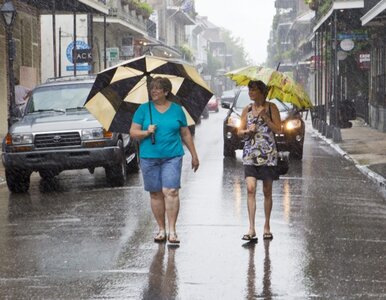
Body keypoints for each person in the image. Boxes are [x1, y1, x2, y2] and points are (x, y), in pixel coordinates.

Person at [129, 77, 199, 245]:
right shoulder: (143, 109)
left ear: (166, 92)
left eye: (158, 89)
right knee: (155, 193)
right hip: (149, 157)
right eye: (152, 88)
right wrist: (146, 132)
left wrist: (194, 155)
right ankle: (161, 229)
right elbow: (133, 132)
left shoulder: (177, 110)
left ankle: (173, 230)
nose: (154, 91)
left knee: (171, 191)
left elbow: (185, 133)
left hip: (172, 156)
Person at [237, 80, 282, 242]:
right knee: (250, 188)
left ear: (262, 92)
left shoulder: (272, 108)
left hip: (268, 155)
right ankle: (251, 228)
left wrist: (266, 118)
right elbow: (239, 132)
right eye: (249, 90)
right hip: (250, 154)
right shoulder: (247, 109)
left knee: (267, 191)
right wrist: (247, 131)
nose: (251, 93)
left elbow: (279, 129)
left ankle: (267, 226)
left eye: (254, 90)